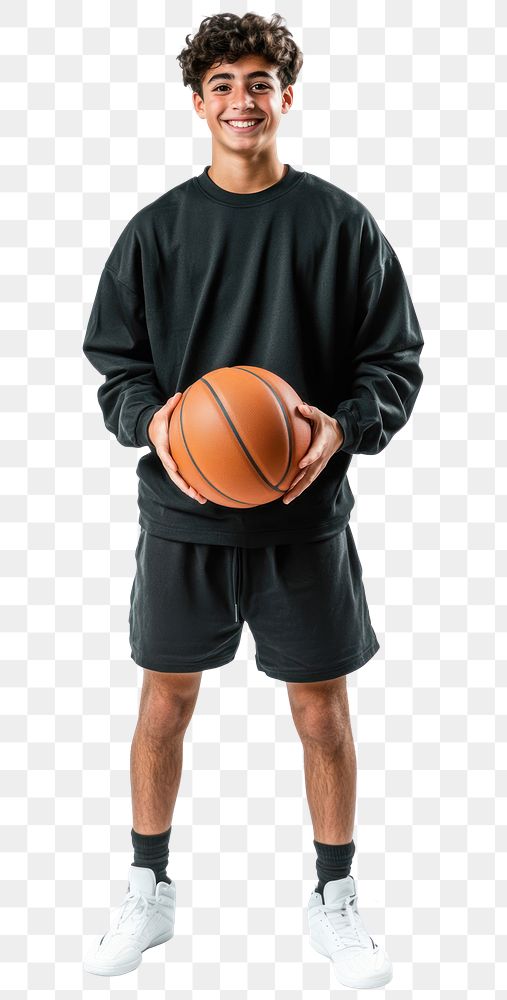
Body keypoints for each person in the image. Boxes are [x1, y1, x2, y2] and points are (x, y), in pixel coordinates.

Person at [81, 11, 423, 989]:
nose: (242, 99)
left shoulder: (340, 224)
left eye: (259, 81)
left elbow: (393, 360)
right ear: (197, 102)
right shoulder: (157, 230)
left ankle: (335, 896)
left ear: (286, 97)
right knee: (163, 704)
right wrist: (154, 422)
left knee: (322, 713)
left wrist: (341, 427)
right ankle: (147, 889)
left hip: (302, 519)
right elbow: (117, 367)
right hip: (183, 513)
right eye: (223, 82)